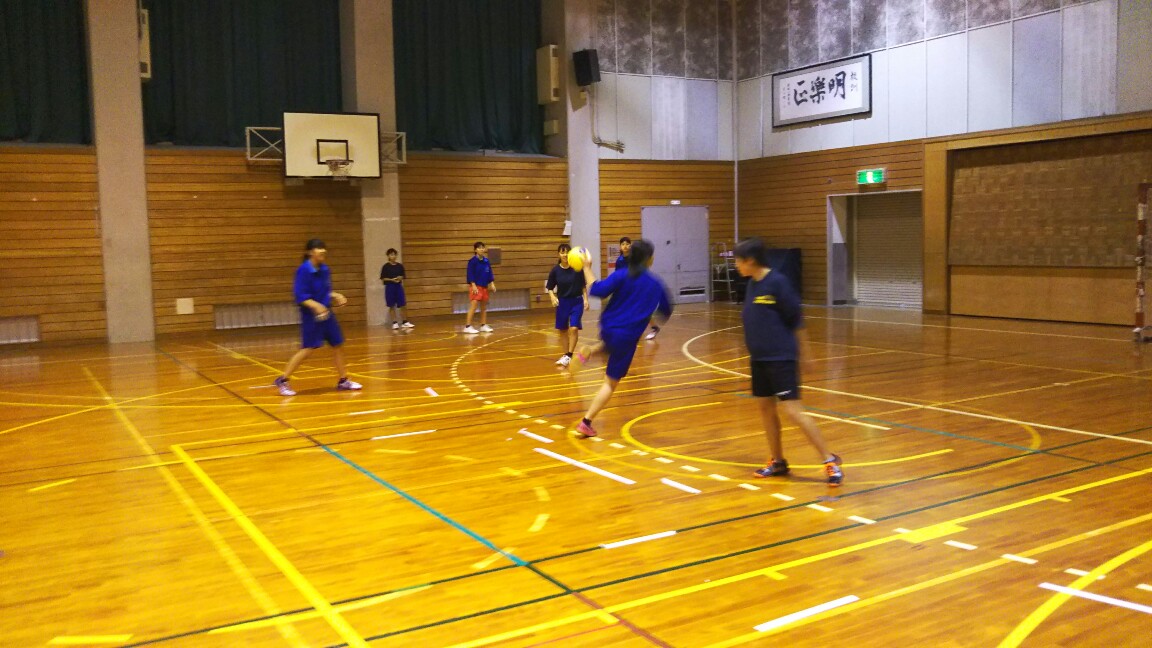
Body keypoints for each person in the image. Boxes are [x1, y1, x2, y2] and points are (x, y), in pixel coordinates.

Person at [734, 237, 842, 486]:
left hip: (781, 358)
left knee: (793, 411)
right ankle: (778, 461)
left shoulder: (778, 282)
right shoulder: (752, 284)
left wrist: (806, 355)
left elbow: (797, 321)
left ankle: (829, 461)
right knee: (766, 410)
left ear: (750, 261)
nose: (736, 266)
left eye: (738, 261)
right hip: (759, 359)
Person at [575, 239, 672, 438]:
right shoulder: (656, 284)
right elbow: (666, 310)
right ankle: (586, 422)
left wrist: (587, 268)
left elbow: (597, 290)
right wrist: (646, 311)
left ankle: (590, 351)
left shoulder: (621, 274)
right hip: (627, 337)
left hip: (607, 327)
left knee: (610, 345)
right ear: (650, 259)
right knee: (610, 383)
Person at [274, 239, 362, 397]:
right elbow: (301, 296)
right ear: (310, 252)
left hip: (327, 314)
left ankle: (343, 380)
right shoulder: (303, 271)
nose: (322, 251)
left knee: (337, 344)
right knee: (308, 349)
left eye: (323, 248)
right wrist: (316, 306)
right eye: (318, 248)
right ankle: (283, 380)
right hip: (311, 316)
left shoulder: (325, 269)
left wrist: (336, 295)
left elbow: (325, 291)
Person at [546, 243, 589, 367]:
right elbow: (549, 287)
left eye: (567, 252)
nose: (565, 255)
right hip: (563, 302)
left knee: (574, 328)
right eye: (562, 252)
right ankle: (566, 355)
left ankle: (569, 354)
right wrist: (552, 297)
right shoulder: (555, 270)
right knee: (563, 329)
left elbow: (583, 286)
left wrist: (586, 300)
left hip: (576, 301)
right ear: (558, 254)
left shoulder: (577, 268)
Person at [616, 236, 660, 340]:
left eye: (627, 244)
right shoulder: (619, 261)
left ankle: (654, 327)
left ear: (630, 246)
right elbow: (618, 275)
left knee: (641, 310)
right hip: (627, 289)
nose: (625, 246)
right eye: (623, 244)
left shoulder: (635, 258)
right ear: (620, 247)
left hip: (638, 287)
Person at [463, 242, 496, 334]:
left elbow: (489, 273)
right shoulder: (472, 261)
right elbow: (470, 274)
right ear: (475, 250)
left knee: (484, 307)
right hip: (476, 286)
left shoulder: (486, 261)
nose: (482, 249)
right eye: (479, 248)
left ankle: (483, 325)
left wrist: (492, 283)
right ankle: (467, 326)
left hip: (484, 286)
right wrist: (473, 285)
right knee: (473, 305)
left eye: (483, 248)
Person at [379, 248, 414, 330]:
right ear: (388, 256)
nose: (393, 256)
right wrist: (391, 280)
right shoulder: (385, 267)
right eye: (391, 255)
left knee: (402, 304)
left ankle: (405, 322)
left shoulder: (400, 266)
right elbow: (383, 278)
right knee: (391, 305)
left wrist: (400, 277)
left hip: (398, 286)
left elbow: (403, 276)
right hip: (390, 286)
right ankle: (394, 323)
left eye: (394, 254)